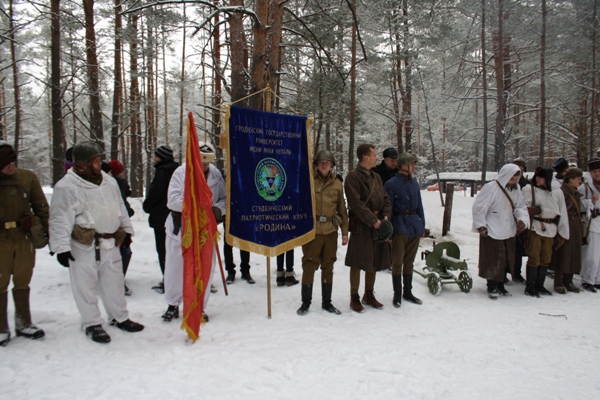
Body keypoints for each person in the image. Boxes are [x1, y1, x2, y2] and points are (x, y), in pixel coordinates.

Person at [49, 141, 143, 344]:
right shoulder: (66, 186)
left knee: (114, 283)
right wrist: (62, 248)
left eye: (100, 160)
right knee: (85, 286)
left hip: (110, 242)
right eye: (96, 161)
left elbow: (119, 206)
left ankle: (120, 317)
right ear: (83, 164)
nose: (101, 163)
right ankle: (91, 323)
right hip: (83, 246)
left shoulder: (108, 182)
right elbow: (59, 218)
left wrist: (126, 231)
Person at [161, 143, 225, 322]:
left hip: (205, 229)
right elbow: (172, 200)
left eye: (207, 163)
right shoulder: (181, 173)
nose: (204, 166)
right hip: (182, 227)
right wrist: (197, 207)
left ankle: (199, 306)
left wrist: (217, 210)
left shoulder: (215, 174)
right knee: (176, 268)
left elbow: (222, 198)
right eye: (201, 162)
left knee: (205, 267)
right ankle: (173, 304)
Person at [0, 142, 49, 346]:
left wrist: (49, 233)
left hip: (23, 237)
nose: (10, 166)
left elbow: (41, 207)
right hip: (1, 238)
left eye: (12, 161)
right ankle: (1, 328)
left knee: (22, 280)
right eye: (5, 163)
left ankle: (23, 322)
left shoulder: (27, 177)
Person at [297, 150, 349, 316]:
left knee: (328, 266)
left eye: (327, 162)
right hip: (312, 232)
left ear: (332, 165)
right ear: (317, 165)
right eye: (321, 162)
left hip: (331, 232)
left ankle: (327, 302)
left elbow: (342, 210)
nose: (324, 164)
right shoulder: (309, 181)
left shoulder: (337, 184)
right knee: (309, 265)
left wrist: (345, 232)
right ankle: (306, 302)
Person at [344, 143, 392, 313]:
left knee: (374, 260)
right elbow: (356, 204)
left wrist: (385, 217)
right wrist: (373, 221)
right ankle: (354, 297)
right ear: (365, 157)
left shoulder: (377, 177)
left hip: (377, 224)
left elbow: (386, 198)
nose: (376, 158)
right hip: (361, 225)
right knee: (357, 261)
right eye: (374, 155)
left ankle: (369, 294)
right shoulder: (353, 177)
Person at [472, 163, 529, 299]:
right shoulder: (491, 188)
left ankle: (501, 284)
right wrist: (481, 225)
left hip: (508, 228)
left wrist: (522, 220)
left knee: (505, 258)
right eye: (512, 179)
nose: (514, 182)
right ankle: (491, 285)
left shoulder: (516, 189)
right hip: (492, 227)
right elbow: (479, 207)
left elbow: (520, 206)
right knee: (493, 258)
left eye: (516, 179)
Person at [384, 152, 425, 307]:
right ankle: (397, 294)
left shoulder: (414, 183)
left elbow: (419, 205)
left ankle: (408, 291)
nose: (414, 167)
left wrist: (422, 225)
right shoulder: (391, 184)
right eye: (411, 164)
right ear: (403, 165)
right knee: (397, 261)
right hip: (399, 225)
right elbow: (388, 208)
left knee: (409, 261)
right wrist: (389, 230)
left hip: (414, 225)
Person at [521, 166, 569, 297]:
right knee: (534, 257)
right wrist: (528, 210)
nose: (537, 179)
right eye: (537, 176)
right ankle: (530, 286)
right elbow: (520, 207)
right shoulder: (529, 190)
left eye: (541, 177)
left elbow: (562, 213)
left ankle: (539, 285)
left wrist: (562, 233)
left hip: (551, 228)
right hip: (536, 227)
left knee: (546, 258)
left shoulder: (557, 192)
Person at [143, 145, 179, 294]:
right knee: (172, 251)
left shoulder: (162, 172)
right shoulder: (177, 171)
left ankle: (168, 281)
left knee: (163, 251)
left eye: (156, 156)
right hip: (174, 216)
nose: (154, 159)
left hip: (161, 217)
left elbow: (155, 193)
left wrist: (147, 206)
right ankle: (174, 279)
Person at [552, 168, 584, 294]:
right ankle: (559, 282)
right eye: (578, 178)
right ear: (570, 179)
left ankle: (568, 280)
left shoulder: (574, 191)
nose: (580, 181)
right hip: (565, 223)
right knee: (562, 253)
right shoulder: (563, 192)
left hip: (575, 225)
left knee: (573, 253)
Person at [108, 160, 134, 296]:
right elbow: (120, 203)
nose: (122, 174)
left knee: (124, 250)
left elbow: (124, 200)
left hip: (121, 221)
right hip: (114, 222)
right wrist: (128, 211)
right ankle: (117, 280)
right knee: (121, 251)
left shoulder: (120, 183)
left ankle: (119, 279)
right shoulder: (111, 184)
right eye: (120, 172)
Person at [580, 158, 600, 292]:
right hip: (591, 221)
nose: (597, 174)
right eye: (595, 171)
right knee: (591, 253)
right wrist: (590, 202)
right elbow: (579, 204)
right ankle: (587, 279)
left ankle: (597, 279)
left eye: (599, 171)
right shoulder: (585, 186)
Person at [510, 159, 530, 283]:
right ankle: (505, 271)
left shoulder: (527, 185)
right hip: (508, 219)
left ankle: (516, 272)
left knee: (519, 248)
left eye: (522, 170)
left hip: (521, 220)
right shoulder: (507, 183)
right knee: (507, 248)